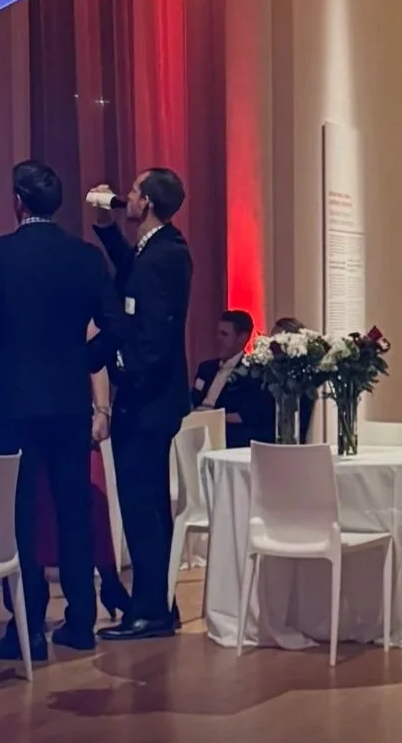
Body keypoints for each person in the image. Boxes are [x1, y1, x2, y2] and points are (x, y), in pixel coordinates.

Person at [0, 159, 116, 660]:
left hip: (15, 403)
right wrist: (81, 358)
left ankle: (27, 630)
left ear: (17, 201)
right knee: (72, 511)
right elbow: (114, 326)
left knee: (19, 515)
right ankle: (82, 621)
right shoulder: (85, 258)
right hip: (69, 402)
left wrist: (1, 354)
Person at [88, 167, 193, 639]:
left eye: (131, 191)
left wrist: (119, 366)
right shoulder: (160, 249)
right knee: (145, 503)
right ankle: (155, 603)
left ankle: (150, 609)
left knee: (142, 504)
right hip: (154, 397)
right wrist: (109, 230)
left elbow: (153, 335)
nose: (125, 196)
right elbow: (132, 271)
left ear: (146, 203)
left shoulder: (163, 257)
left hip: (148, 400)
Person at [192, 308, 274, 447]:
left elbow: (247, 414)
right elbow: (193, 399)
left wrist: (214, 418)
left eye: (224, 334)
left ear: (242, 338)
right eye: (218, 333)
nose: (218, 339)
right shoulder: (206, 368)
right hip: (194, 426)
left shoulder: (252, 372)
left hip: (223, 431)